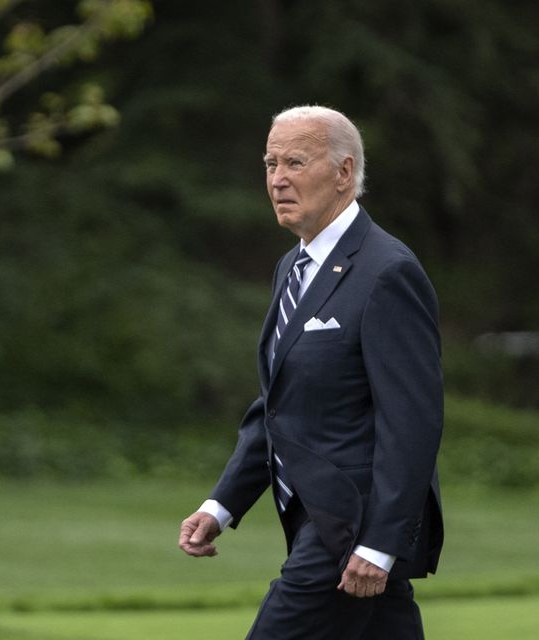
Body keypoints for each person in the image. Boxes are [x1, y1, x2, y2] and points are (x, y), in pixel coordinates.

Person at [179, 105, 443, 639]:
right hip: (314, 518)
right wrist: (222, 504)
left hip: (348, 527)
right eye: (270, 163)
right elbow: (278, 406)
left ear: (344, 172)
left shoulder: (387, 271)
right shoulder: (292, 266)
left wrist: (381, 543)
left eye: (295, 162)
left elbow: (411, 422)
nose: (277, 179)